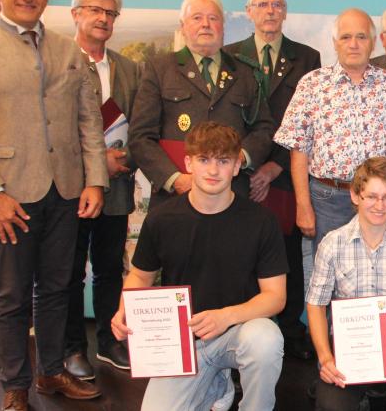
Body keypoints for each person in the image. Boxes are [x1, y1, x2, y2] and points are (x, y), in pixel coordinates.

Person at [0, 0, 107, 410]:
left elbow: (88, 123)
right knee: (12, 295)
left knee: (59, 288)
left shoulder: (66, 50)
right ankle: (14, 385)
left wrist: (94, 181)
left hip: (65, 193)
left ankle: (52, 372)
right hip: (8, 197)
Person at [111, 121, 287, 410]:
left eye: (223, 160)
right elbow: (140, 277)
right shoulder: (161, 219)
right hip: (181, 343)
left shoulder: (261, 221)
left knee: (266, 339)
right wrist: (124, 308)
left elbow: (275, 297)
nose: (214, 170)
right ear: (188, 163)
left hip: (237, 331)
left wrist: (225, 316)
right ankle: (217, 386)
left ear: (236, 165)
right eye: (204, 160)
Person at [225, 0, 321, 360]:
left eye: (277, 5)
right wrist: (249, 167)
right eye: (262, 5)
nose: (269, 11)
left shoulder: (307, 57)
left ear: (285, 11)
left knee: (287, 251)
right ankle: (245, 325)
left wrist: (273, 168)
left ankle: (291, 330)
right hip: (239, 173)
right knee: (242, 249)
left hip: (285, 172)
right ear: (249, 11)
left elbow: (308, 123)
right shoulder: (230, 56)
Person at [306, 157, 386, 411]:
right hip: (347, 347)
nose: (380, 205)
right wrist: (325, 357)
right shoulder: (332, 243)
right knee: (333, 407)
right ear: (356, 196)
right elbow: (315, 305)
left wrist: (377, 332)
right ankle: (359, 389)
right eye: (372, 196)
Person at [275, 8, 386, 253]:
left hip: (379, 200)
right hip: (327, 200)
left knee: (376, 276)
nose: (354, 44)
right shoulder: (312, 84)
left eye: (361, 37)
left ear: (373, 43)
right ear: (335, 43)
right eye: (346, 37)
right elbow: (299, 151)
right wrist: (303, 205)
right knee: (327, 279)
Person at [129, 0, 275, 208]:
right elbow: (141, 136)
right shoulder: (160, 69)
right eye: (197, 18)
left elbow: (264, 129)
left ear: (222, 27)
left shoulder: (245, 72)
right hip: (175, 198)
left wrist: (240, 157)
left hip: (233, 196)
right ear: (183, 26)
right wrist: (174, 179)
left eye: (213, 18)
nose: (205, 24)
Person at [64, 0, 140, 380]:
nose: (103, 19)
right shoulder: (58, 61)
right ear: (76, 13)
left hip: (118, 188)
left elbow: (142, 127)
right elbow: (53, 132)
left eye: (110, 13)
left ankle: (110, 343)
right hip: (71, 190)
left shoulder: (129, 68)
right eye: (95, 10)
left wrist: (121, 159)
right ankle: (74, 348)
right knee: (70, 271)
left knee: (111, 267)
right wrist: (95, 164)